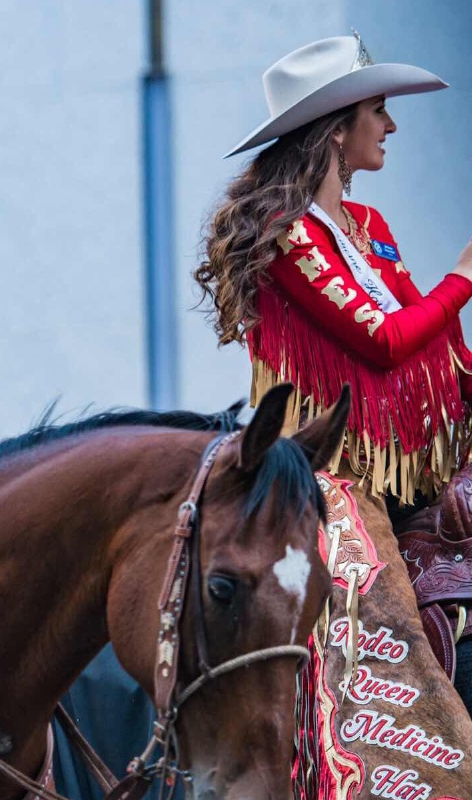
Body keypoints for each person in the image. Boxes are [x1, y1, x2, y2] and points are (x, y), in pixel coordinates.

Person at [196, 33, 472, 504]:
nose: (392, 126)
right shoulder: (284, 234)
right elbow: (386, 342)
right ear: (337, 130)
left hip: (405, 450)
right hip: (329, 467)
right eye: (380, 110)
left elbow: (425, 324)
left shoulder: (370, 222)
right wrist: (464, 277)